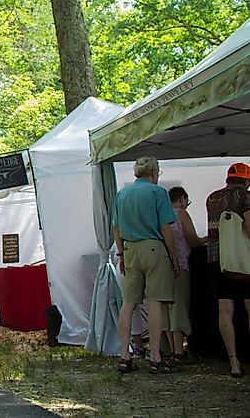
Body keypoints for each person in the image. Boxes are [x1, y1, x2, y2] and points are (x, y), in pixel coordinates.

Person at [113, 156, 180, 375]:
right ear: (153, 172)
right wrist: (173, 256)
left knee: (129, 303)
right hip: (153, 249)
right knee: (155, 302)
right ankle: (155, 357)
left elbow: (116, 228)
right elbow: (165, 227)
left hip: (130, 250)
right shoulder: (157, 192)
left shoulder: (122, 194)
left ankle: (124, 356)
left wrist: (122, 254)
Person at [205, 162, 250, 378]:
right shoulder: (244, 197)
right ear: (246, 181)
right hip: (243, 261)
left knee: (225, 310)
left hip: (217, 259)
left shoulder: (212, 198)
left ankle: (233, 361)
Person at [166, 187, 205, 358]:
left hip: (163, 265)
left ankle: (169, 348)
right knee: (179, 306)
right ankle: (179, 350)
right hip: (180, 264)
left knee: (166, 307)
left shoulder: (162, 215)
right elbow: (192, 239)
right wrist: (204, 240)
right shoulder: (180, 214)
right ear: (182, 199)